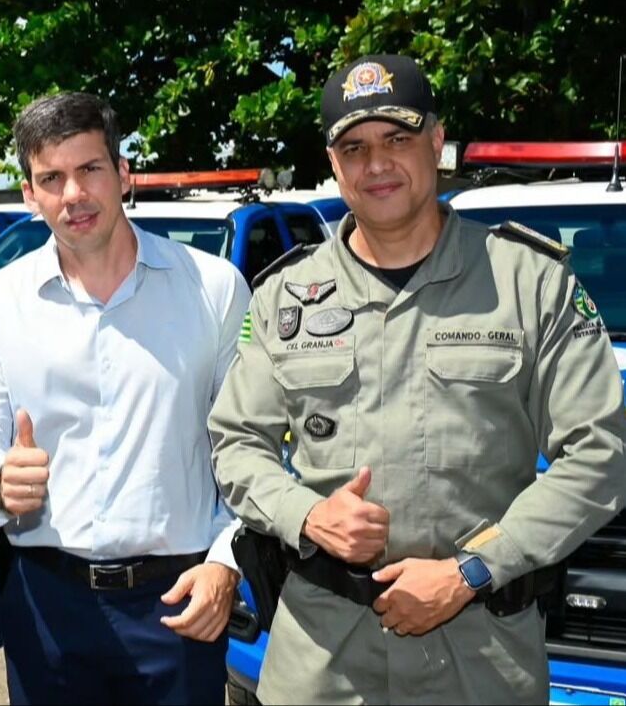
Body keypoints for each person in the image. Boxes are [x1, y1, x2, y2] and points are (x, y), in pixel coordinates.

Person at [209, 53, 626, 703]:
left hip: (480, 657)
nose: (377, 164)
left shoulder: (531, 284)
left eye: (397, 139)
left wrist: (472, 570)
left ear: (436, 142)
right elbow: (236, 443)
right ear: (333, 161)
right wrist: (310, 513)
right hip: (321, 659)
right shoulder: (285, 297)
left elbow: (603, 452)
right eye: (355, 147)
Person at [0, 92, 251, 704]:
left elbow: (251, 447)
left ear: (124, 175)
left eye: (90, 170)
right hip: (45, 606)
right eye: (51, 178)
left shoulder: (214, 289)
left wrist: (227, 561)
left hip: (182, 601)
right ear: (30, 195)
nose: (73, 195)